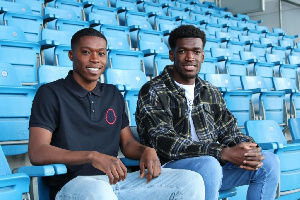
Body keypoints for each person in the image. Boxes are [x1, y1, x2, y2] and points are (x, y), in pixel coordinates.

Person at [28, 28, 205, 200]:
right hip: (73, 185)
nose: (95, 59)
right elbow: (37, 151)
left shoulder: (112, 93)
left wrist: (146, 150)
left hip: (116, 182)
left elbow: (127, 143)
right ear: (72, 55)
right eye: (86, 52)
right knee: (99, 191)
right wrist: (92, 156)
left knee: (190, 180)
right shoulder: (50, 93)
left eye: (101, 53)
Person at [136, 25, 280, 200]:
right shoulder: (153, 90)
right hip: (170, 172)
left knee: (268, 162)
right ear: (172, 55)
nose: (190, 57)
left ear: (202, 56)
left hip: (213, 169)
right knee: (209, 164)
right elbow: (165, 143)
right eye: (183, 51)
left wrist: (249, 148)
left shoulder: (210, 91)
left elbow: (230, 130)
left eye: (196, 52)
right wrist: (221, 152)